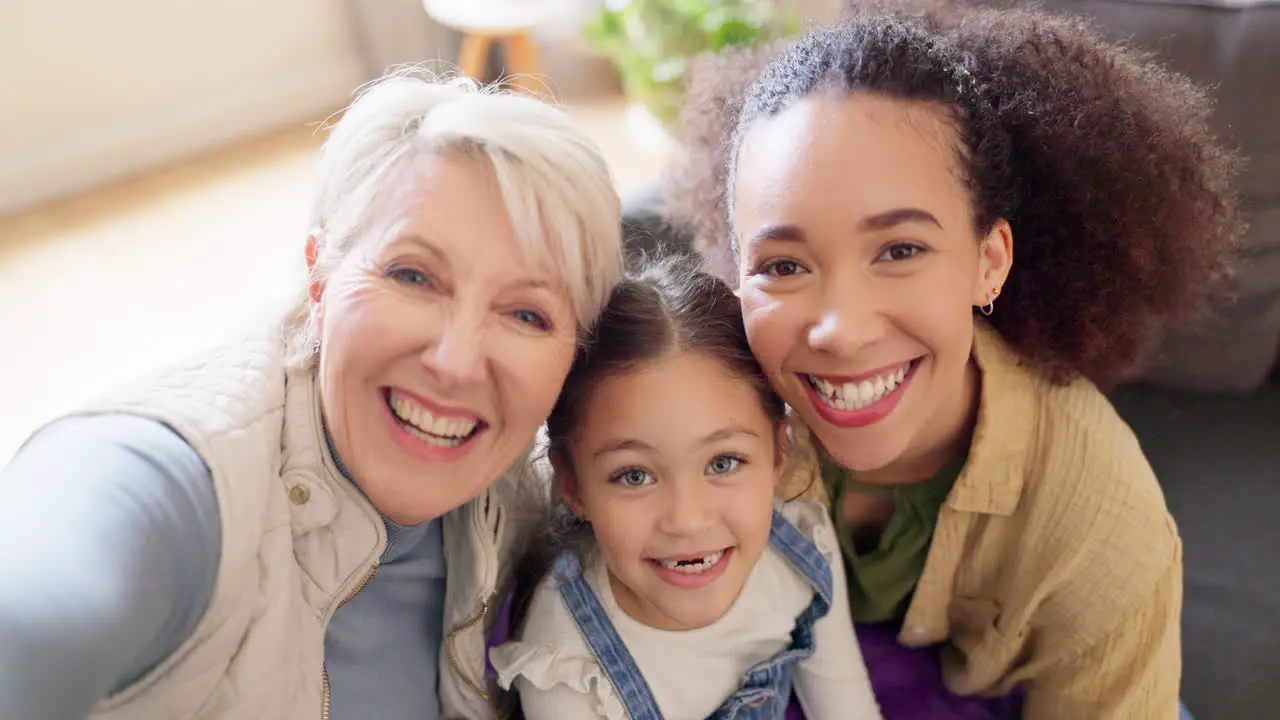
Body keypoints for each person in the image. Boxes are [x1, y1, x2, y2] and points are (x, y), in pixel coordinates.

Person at [665, 3, 1243, 718]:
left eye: (900, 251)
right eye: (783, 265)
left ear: (988, 262)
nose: (841, 332)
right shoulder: (691, 413)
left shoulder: (1101, 518)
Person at [0, 69, 624, 719]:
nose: (456, 362)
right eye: (413, 275)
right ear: (319, 282)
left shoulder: (525, 501)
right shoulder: (181, 481)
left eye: (527, 315)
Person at [489, 256, 882, 720]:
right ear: (573, 485)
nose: (688, 519)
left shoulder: (802, 550)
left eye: (724, 462)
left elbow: (847, 709)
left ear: (779, 453)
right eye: (634, 475)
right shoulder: (568, 667)